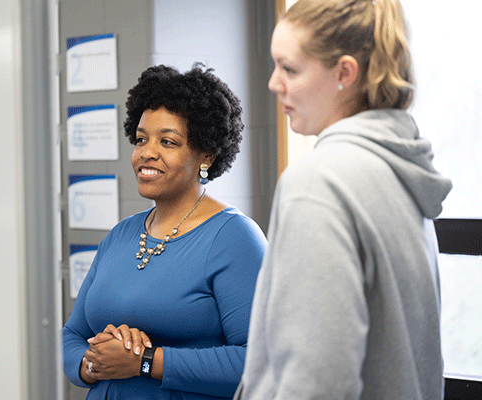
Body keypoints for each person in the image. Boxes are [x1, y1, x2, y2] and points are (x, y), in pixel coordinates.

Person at [235, 0, 452, 399]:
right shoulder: (399, 170)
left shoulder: (318, 183)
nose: (273, 82)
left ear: (344, 73)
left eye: (290, 68)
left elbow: (317, 382)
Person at [62, 63, 267, 399]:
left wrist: (145, 361)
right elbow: (72, 333)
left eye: (168, 142)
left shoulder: (235, 239)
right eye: (141, 139)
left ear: (206, 155)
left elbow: (259, 362)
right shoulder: (121, 235)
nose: (147, 153)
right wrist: (92, 363)